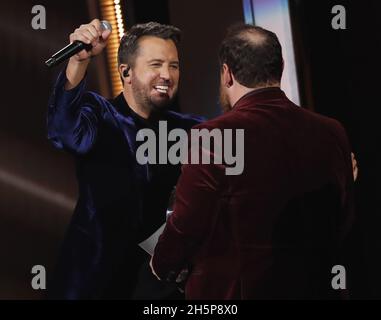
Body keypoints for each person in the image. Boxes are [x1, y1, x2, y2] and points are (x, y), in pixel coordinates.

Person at [150, 24, 355, 299]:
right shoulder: (333, 131)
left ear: (227, 74)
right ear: (280, 67)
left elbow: (186, 225)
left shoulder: (213, 137)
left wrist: (161, 263)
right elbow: (342, 223)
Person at [46, 19, 202, 299]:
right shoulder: (101, 116)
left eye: (174, 66)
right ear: (126, 72)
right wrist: (78, 62)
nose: (167, 75)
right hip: (90, 285)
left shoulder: (188, 130)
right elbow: (63, 130)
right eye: (156, 65)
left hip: (156, 290)